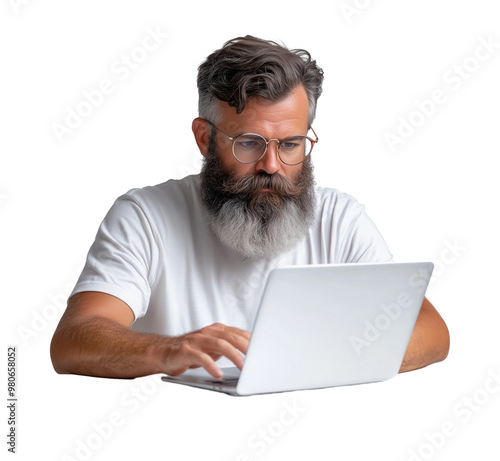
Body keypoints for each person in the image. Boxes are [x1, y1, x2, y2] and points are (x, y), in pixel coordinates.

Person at [50, 36, 449, 380]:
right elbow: (75, 337)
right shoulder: (144, 217)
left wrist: (315, 357)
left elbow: (431, 330)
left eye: (290, 144)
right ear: (205, 138)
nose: (271, 166)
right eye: (249, 143)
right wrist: (167, 351)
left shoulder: (339, 219)